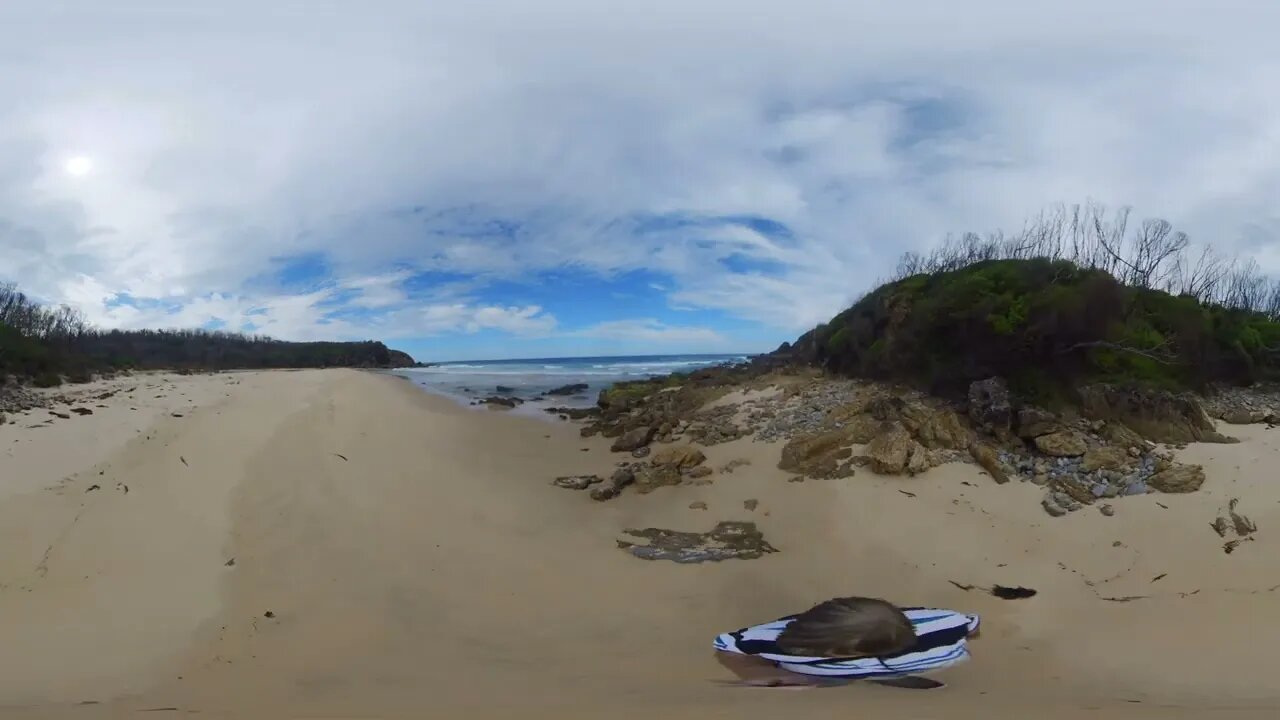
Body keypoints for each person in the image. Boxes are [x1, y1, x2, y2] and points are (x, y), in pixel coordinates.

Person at [713, 596, 980, 689]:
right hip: (833, 675)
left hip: (900, 667)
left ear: (844, 652)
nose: (794, 643)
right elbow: (725, 644)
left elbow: (972, 627)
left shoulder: (945, 623)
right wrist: (762, 673)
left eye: (807, 645)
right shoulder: (773, 639)